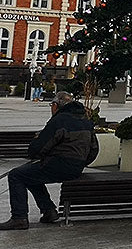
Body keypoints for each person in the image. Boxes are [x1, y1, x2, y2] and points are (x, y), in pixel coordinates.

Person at [0, 91, 99, 230]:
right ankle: (49, 211)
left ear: (55, 105)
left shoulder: (59, 121)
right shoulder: (86, 122)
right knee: (29, 175)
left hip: (57, 165)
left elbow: (37, 148)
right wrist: (81, 162)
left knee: (16, 175)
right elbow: (94, 149)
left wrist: (39, 147)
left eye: (52, 105)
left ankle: (19, 217)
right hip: (76, 168)